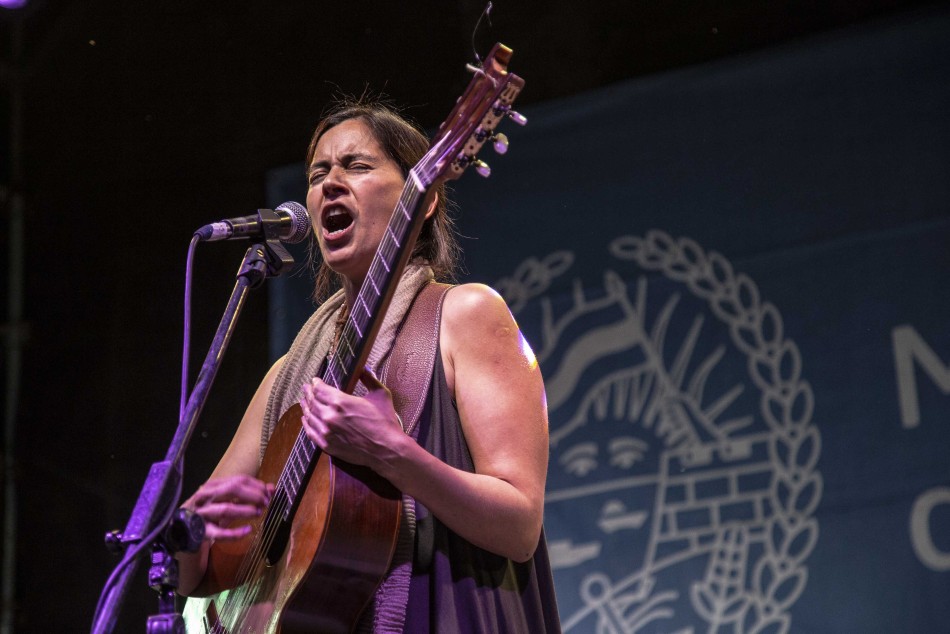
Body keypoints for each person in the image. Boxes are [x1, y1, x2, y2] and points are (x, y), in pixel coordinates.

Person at [177, 98, 560, 632]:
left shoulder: (466, 314)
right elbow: (199, 567)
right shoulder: (289, 375)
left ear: (421, 200)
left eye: (356, 165)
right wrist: (191, 531)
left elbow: (519, 525)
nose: (330, 182)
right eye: (317, 173)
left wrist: (391, 452)